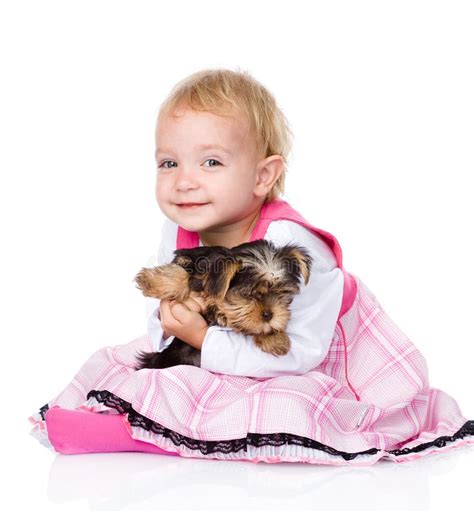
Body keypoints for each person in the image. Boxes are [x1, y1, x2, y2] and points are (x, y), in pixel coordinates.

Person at [29, 68, 474, 465]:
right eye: (169, 163)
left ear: (263, 177)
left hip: (319, 361)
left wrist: (204, 337)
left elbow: (300, 352)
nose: (184, 180)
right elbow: (163, 310)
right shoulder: (181, 226)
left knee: (285, 404)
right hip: (225, 347)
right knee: (148, 371)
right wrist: (177, 327)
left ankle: (148, 435)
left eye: (211, 162)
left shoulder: (293, 245)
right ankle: (141, 420)